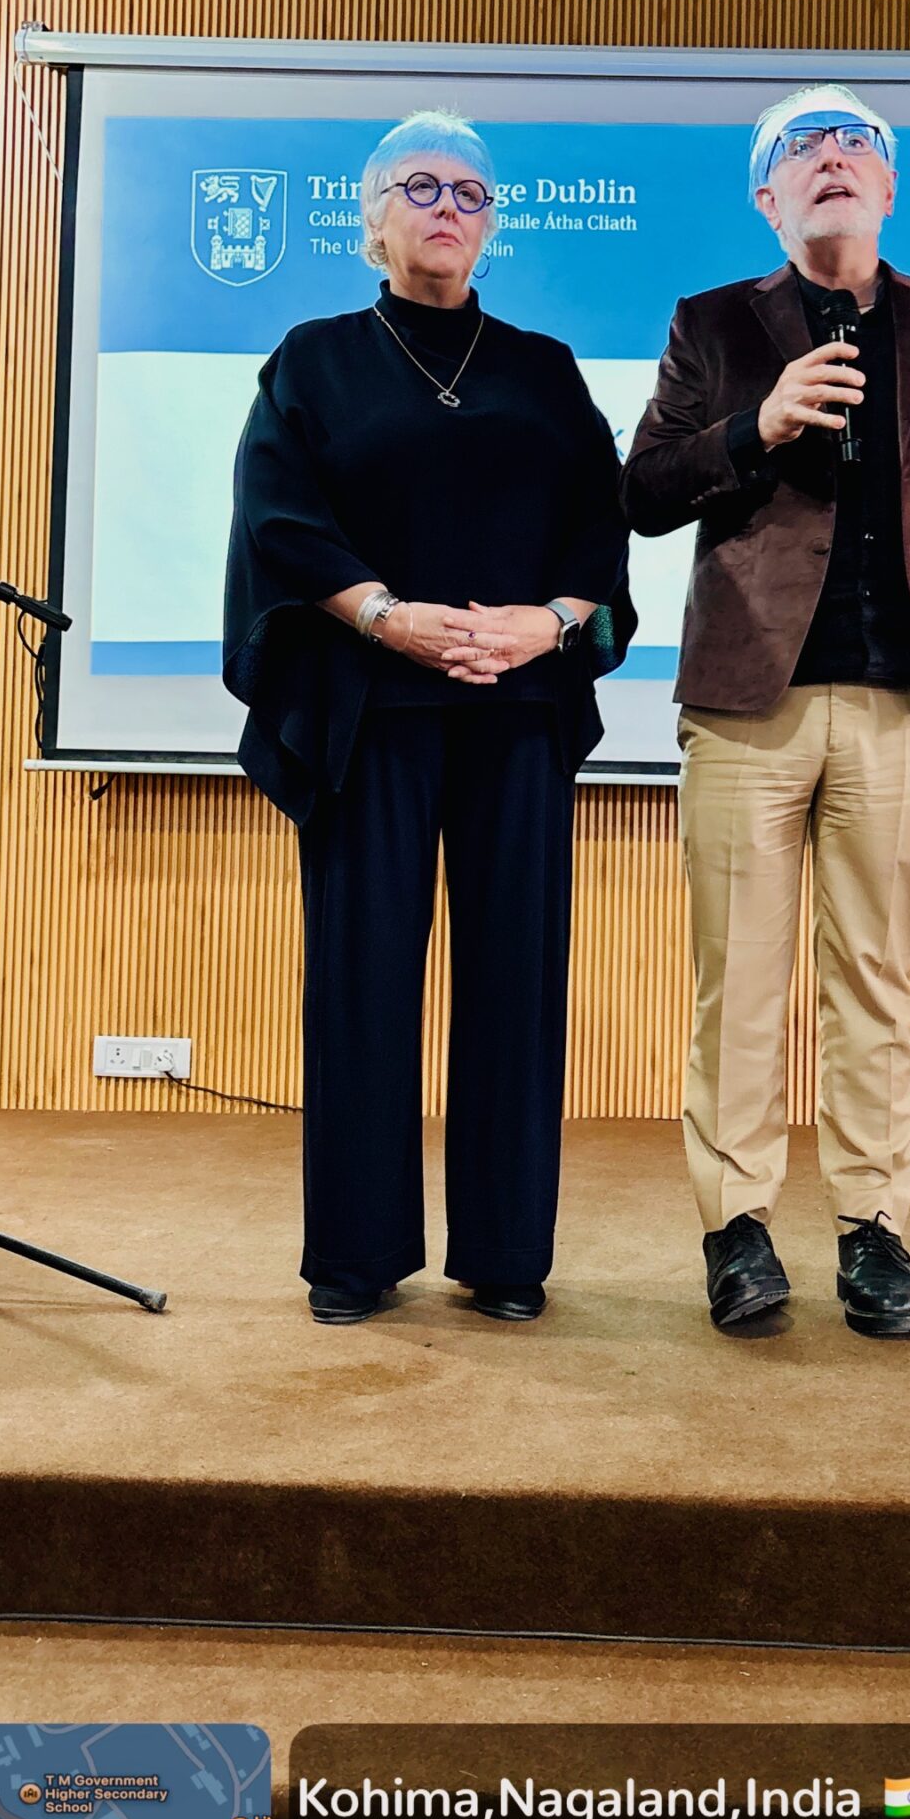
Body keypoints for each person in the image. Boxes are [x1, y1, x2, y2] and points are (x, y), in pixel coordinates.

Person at [622, 83, 910, 1339]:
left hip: (905, 707)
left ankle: (873, 1230)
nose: (831, 154)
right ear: (765, 197)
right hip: (746, 705)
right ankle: (736, 1228)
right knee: (739, 981)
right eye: (799, 146)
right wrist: (753, 428)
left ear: (888, 187)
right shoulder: (713, 323)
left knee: (875, 978)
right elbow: (643, 490)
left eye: (855, 141)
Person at [223, 110, 633, 1326]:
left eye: (470, 193)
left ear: (491, 224)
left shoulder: (545, 370)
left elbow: (599, 531)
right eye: (422, 187)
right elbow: (279, 519)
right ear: (374, 217)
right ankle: (355, 1255)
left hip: (519, 707)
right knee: (361, 981)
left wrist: (546, 625)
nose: (448, 208)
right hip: (370, 706)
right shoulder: (314, 360)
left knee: (516, 978)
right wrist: (386, 616)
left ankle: (506, 1254)